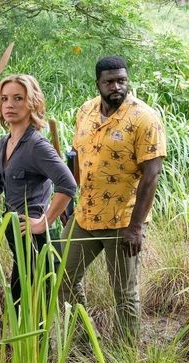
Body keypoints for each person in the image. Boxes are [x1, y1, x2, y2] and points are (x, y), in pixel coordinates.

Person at [61, 55, 166, 341]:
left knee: (124, 292)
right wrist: (69, 200)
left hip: (123, 220)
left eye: (121, 80)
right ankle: (84, 341)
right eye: (109, 82)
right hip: (86, 215)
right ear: (98, 83)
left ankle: (125, 353)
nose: (116, 87)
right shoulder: (86, 111)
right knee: (63, 277)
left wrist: (136, 227)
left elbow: (152, 174)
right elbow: (76, 157)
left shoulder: (144, 118)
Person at [0, 74, 77, 307]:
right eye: (4, 99)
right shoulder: (5, 142)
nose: (9, 105)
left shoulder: (37, 146)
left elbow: (68, 184)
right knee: (20, 301)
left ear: (32, 103)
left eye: (18, 98)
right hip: (16, 236)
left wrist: (44, 222)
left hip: (36, 240)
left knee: (30, 305)